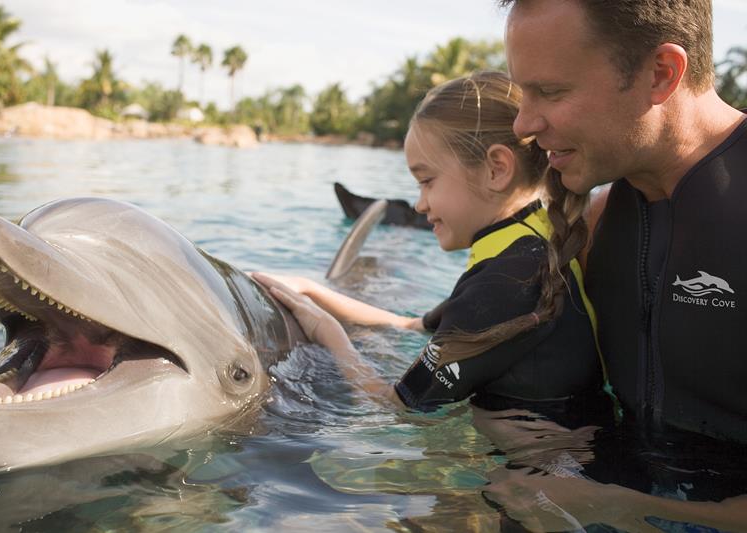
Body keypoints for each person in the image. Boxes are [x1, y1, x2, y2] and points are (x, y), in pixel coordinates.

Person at [478, 0, 747, 529]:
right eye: (522, 93)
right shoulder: (598, 222)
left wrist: (626, 508)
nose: (524, 124)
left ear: (661, 74)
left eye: (551, 92)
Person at [254, 70, 608, 421]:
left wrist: (326, 332)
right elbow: (410, 325)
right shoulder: (527, 243)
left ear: (496, 169)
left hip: (545, 470)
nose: (420, 204)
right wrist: (310, 291)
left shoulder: (508, 282)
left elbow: (395, 407)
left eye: (427, 181)